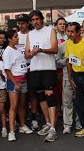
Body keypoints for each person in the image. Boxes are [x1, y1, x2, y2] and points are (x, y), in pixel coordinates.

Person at [25, 10, 59, 142]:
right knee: (41, 97)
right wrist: (31, 53)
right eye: (32, 20)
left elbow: (55, 49)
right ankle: (48, 123)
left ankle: (53, 129)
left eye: (37, 19)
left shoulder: (50, 30)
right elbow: (26, 54)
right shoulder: (30, 34)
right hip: (35, 69)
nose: (35, 22)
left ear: (42, 19)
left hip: (48, 68)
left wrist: (40, 50)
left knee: (50, 96)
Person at [3, 29, 33, 141]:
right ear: (9, 39)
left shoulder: (17, 49)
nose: (18, 38)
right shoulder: (7, 52)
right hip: (14, 81)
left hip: (23, 79)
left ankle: (22, 125)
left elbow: (23, 60)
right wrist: (15, 83)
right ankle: (11, 130)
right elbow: (7, 69)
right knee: (13, 106)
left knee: (22, 105)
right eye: (15, 36)